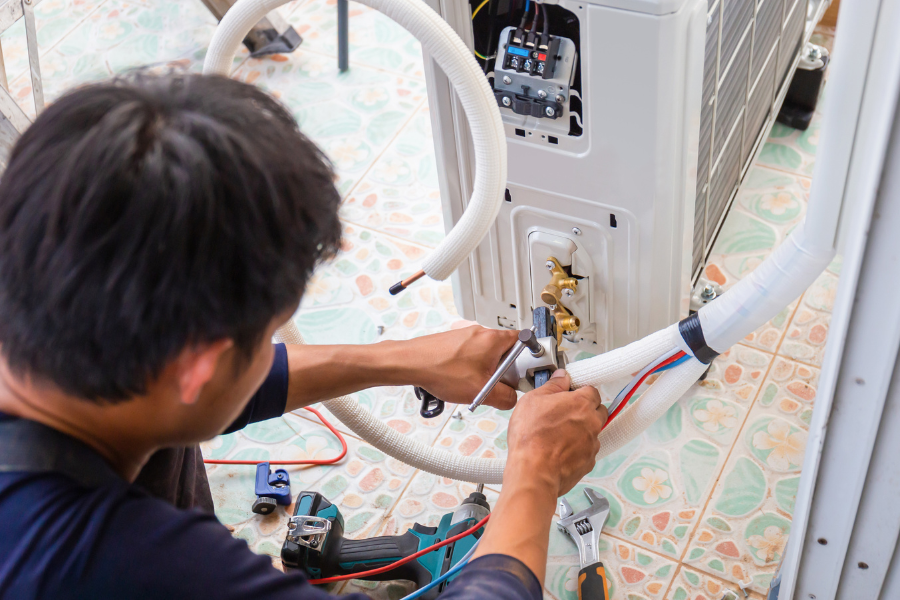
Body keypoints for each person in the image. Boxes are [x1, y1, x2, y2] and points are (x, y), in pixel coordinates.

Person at [0, 73, 607, 599]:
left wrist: (404, 360)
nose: (269, 353)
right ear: (199, 367)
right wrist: (534, 475)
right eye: (264, 338)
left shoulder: (53, 318)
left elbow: (198, 375)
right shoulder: (116, 565)